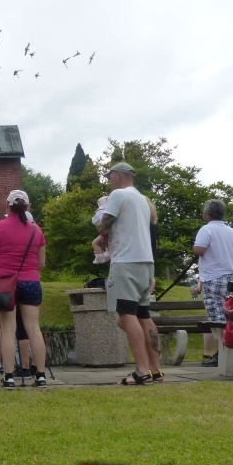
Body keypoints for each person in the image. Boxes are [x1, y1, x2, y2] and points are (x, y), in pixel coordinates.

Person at [97, 162, 157, 385]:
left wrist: (102, 232)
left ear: (120, 175)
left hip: (126, 261)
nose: (109, 179)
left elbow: (106, 222)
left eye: (110, 175)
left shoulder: (118, 195)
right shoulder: (142, 200)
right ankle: (155, 369)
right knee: (143, 314)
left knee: (126, 315)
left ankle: (141, 370)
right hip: (146, 261)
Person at [0, 190, 47, 389]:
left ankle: (9, 376)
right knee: (33, 328)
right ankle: (41, 375)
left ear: (7, 205)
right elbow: (42, 263)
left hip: (6, 282)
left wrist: (0, 272)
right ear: (27, 207)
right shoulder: (37, 231)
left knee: (8, 329)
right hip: (31, 281)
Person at [193, 199, 233, 367]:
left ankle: (222, 355)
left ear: (207, 214)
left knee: (218, 319)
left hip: (213, 278)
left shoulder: (206, 229)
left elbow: (199, 249)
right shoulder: (232, 231)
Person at [91, 195, 110, 264]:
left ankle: (100, 257)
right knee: (108, 244)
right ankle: (108, 252)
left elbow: (94, 221)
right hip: (112, 233)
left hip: (105, 234)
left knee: (95, 243)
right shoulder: (113, 211)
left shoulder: (100, 213)